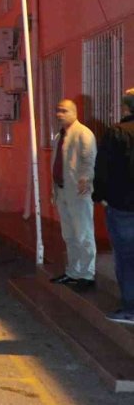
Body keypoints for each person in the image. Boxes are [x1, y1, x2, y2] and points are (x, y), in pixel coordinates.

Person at [93, 89, 134, 325]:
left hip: (123, 206)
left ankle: (130, 308)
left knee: (126, 257)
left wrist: (101, 196)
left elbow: (103, 170)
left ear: (126, 108)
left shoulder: (116, 133)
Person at [49, 99, 97, 290]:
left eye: (64, 111)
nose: (59, 114)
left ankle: (87, 274)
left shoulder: (83, 133)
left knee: (83, 233)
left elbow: (89, 159)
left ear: (74, 112)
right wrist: (54, 190)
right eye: (58, 110)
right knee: (69, 234)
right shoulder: (59, 136)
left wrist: (86, 179)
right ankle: (73, 272)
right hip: (62, 191)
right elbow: (57, 164)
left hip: (79, 192)